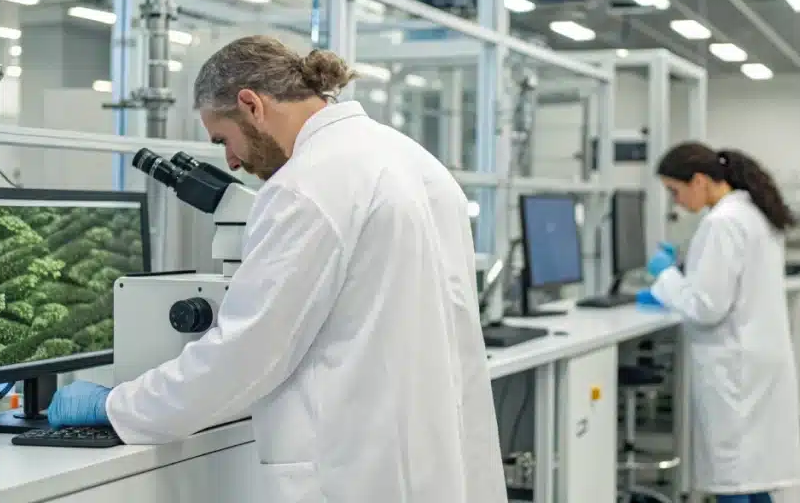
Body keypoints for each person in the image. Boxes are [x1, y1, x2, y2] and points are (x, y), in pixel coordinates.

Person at [46, 35, 508, 502]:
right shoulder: (414, 160)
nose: (230, 160)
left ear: (251, 105)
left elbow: (246, 353)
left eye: (223, 139)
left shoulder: (305, 185)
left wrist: (117, 404)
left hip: (356, 472)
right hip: (433, 460)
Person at [637, 142, 800, 503]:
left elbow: (706, 306)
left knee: (733, 479)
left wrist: (665, 276)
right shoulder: (754, 213)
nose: (676, 202)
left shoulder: (722, 223)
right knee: (753, 478)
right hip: (757, 360)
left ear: (698, 180)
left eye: (674, 191)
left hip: (734, 368)